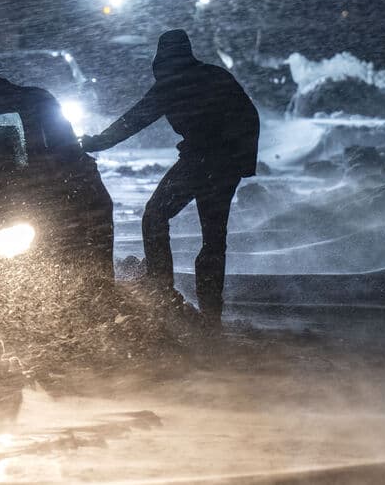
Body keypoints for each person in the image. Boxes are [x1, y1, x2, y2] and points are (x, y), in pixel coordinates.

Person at [80, 29, 260, 324]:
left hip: (199, 162)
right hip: (224, 165)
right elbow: (249, 116)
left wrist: (96, 142)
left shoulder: (171, 84)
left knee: (155, 216)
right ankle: (211, 315)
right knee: (214, 238)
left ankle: (162, 290)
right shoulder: (215, 76)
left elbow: (132, 121)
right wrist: (241, 163)